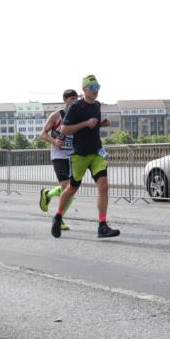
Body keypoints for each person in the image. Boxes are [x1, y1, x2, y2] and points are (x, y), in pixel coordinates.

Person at [50, 75, 120, 239]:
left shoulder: (96, 105)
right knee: (72, 188)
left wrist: (101, 124)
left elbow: (92, 126)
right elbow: (64, 130)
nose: (96, 90)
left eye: (98, 87)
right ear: (85, 89)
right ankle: (58, 216)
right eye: (93, 87)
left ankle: (102, 226)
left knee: (103, 185)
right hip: (79, 155)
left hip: (96, 153)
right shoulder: (76, 107)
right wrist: (85, 124)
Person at [39, 89, 80, 231]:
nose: (74, 101)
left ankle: (48, 194)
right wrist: (54, 141)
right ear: (65, 100)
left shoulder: (77, 117)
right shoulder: (56, 116)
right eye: (72, 98)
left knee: (71, 191)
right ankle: (59, 218)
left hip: (73, 156)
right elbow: (42, 134)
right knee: (67, 187)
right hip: (59, 157)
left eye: (76, 98)